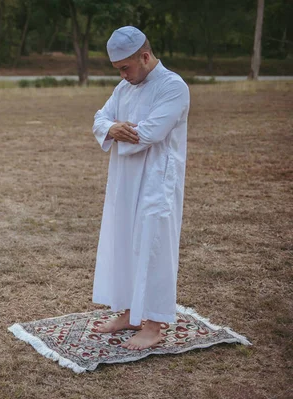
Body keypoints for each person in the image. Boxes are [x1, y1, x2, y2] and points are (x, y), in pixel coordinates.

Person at [91, 26, 190, 350]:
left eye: (125, 68)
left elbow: (149, 133)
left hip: (156, 182)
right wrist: (112, 127)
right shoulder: (124, 89)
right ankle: (132, 313)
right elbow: (100, 119)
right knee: (125, 242)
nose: (122, 75)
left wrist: (117, 130)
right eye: (118, 70)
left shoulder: (173, 87)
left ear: (145, 56)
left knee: (153, 246)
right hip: (124, 179)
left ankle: (153, 324)